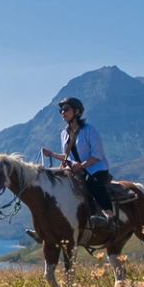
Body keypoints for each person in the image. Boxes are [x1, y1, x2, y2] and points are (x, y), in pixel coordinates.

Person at [42, 96, 114, 228]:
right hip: (75, 170)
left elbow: (97, 155)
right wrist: (51, 154)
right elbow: (67, 156)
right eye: (61, 110)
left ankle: (109, 217)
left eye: (66, 109)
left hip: (95, 169)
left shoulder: (89, 130)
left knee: (92, 183)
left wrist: (81, 166)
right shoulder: (64, 133)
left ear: (77, 111)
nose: (63, 113)